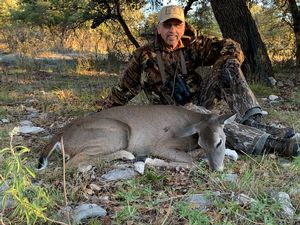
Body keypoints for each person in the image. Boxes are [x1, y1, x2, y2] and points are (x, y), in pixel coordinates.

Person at [101, 5, 299, 157]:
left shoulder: (194, 44)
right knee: (208, 119)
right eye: (167, 25)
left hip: (200, 100)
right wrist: (101, 116)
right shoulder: (143, 56)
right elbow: (122, 90)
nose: (172, 30)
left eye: (177, 24)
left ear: (184, 26)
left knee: (229, 67)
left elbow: (232, 46)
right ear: (158, 28)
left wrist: (226, 62)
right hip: (172, 117)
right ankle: (268, 144)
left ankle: (252, 121)